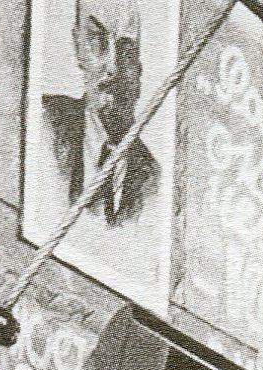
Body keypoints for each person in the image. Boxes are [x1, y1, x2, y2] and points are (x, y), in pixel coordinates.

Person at [42, 0, 160, 226]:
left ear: (138, 67)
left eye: (126, 51)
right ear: (77, 44)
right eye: (97, 40)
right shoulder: (44, 123)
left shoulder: (153, 178)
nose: (112, 67)